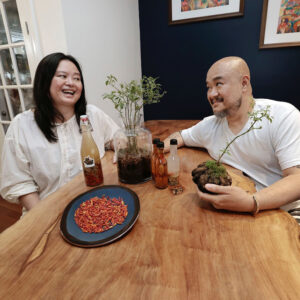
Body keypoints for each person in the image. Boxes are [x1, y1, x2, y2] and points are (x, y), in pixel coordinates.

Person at [164, 56, 300, 222]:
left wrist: (251, 202)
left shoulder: (282, 116)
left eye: (218, 84)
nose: (211, 94)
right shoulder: (210, 126)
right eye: (208, 87)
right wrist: (151, 150)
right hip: (238, 213)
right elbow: (180, 137)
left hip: (286, 212)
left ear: (244, 83)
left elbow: (296, 178)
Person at [0, 52, 119, 214]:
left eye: (77, 78)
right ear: (44, 81)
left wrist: (119, 144)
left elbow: (113, 137)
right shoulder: (22, 125)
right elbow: (19, 182)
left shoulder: (92, 114)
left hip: (94, 204)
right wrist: (43, 217)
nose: (71, 83)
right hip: (47, 211)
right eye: (62, 76)